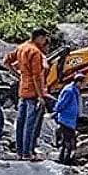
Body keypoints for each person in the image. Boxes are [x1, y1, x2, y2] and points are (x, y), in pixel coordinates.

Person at [5, 28, 51, 161]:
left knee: (20, 122)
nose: (44, 42)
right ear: (39, 37)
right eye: (44, 38)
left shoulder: (21, 48)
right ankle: (27, 153)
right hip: (33, 92)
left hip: (22, 90)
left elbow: (6, 61)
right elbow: (37, 76)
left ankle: (19, 152)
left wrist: (17, 74)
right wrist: (41, 96)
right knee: (30, 124)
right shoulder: (35, 52)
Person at [53, 73, 84, 165]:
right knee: (67, 141)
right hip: (65, 120)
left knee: (68, 140)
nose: (84, 85)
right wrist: (56, 111)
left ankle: (65, 159)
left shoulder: (75, 90)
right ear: (78, 82)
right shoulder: (69, 91)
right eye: (83, 83)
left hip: (70, 120)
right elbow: (61, 104)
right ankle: (64, 160)